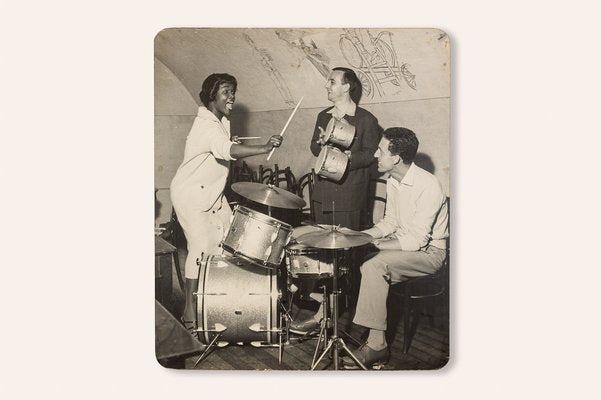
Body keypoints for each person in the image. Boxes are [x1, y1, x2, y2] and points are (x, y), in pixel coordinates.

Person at [293, 127, 449, 369]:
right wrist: (358, 236)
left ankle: (377, 346)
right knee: (347, 251)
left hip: (429, 253)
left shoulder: (428, 186)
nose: (376, 155)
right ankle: (323, 317)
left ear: (396, 158)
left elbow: (417, 241)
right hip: (405, 244)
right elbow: (390, 223)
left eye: (380, 150)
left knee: (374, 264)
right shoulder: (395, 181)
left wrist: (374, 243)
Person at [170, 73, 283, 332]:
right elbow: (227, 150)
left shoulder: (221, 121)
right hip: (190, 195)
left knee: (232, 242)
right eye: (225, 92)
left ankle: (219, 306)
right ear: (212, 96)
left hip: (213, 193)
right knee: (199, 248)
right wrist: (265, 148)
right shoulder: (207, 125)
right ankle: (189, 314)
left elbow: (227, 146)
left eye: (233, 91)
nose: (231, 97)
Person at [310, 67, 381, 231]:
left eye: (332, 82)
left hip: (349, 195)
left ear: (346, 87)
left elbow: (372, 154)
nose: (326, 85)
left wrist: (350, 158)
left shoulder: (366, 119)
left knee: (347, 247)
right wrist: (320, 144)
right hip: (323, 193)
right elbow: (314, 147)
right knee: (322, 243)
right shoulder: (323, 116)